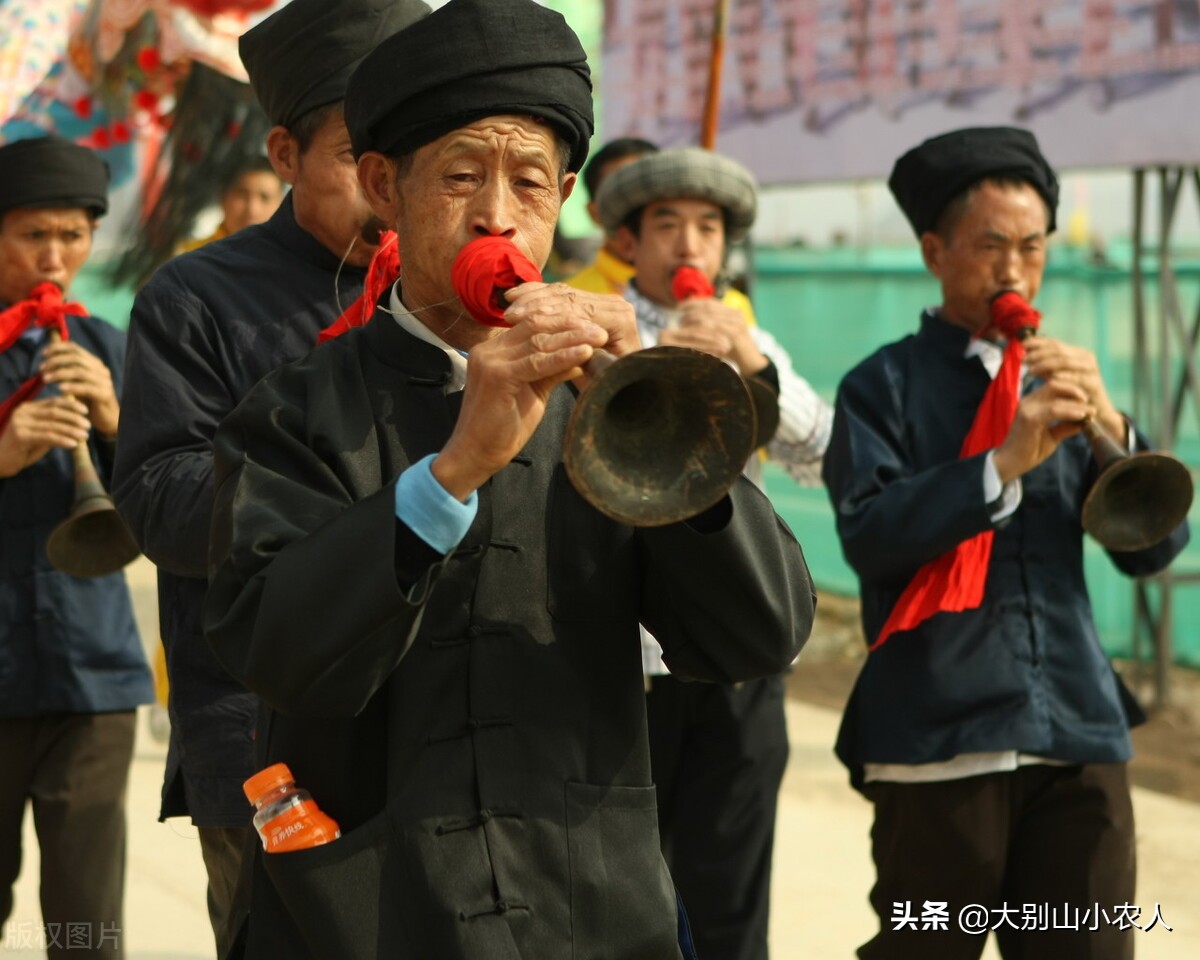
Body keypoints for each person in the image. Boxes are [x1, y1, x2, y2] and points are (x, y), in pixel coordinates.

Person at [202, 1, 815, 957]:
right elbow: (276, 651)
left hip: (592, 911)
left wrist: (660, 439)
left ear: (562, 199)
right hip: (366, 914)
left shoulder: (601, 398)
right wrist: (453, 473)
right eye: (460, 177)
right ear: (384, 187)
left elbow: (761, 632)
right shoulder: (293, 410)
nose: (498, 214)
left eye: (529, 182)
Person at [822, 126, 1190, 960]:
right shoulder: (881, 386)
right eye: (990, 246)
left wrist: (1110, 429)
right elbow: (870, 537)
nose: (1015, 271)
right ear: (933, 250)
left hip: (1079, 729)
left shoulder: (1064, 385)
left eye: (1032, 247)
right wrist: (999, 464)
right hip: (937, 739)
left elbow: (1154, 552)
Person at [110, 1, 432, 955]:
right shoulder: (197, 298)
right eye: (355, 160)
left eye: (407, 156)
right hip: (261, 727)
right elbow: (160, 499)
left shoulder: (462, 289)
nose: (388, 189)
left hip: (445, 717)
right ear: (284, 155)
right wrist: (378, 497)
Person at [592, 145, 832, 960]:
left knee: (729, 896)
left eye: (708, 228)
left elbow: (828, 455)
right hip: (622, 661)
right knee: (619, 893)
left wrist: (753, 361)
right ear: (630, 239)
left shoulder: (747, 332)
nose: (690, 247)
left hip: (735, 659)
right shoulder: (592, 321)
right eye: (668, 226)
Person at [0, 135, 154, 960]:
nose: (55, 256)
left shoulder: (116, 348)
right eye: (33, 236)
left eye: (73, 236)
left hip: (92, 672)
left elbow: (179, 499)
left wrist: (117, 421)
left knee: (86, 928)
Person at [566, 136, 658, 294]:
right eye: (622, 197)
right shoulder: (571, 302)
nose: (640, 210)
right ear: (594, 213)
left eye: (650, 193)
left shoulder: (709, 300)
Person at [179, 156, 285, 252]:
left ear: (281, 204)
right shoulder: (188, 257)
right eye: (242, 195)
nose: (252, 209)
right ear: (223, 197)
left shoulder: (289, 265)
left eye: (264, 197)